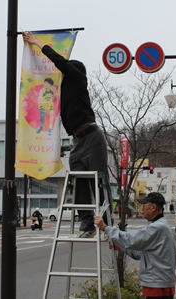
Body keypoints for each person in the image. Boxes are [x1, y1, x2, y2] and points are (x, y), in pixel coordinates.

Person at [23, 32, 112, 238]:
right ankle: (87, 223)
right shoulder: (61, 89)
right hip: (77, 142)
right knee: (78, 181)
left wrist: (38, 44)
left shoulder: (79, 78)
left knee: (99, 181)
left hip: (92, 136)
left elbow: (61, 63)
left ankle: (108, 225)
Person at [94, 192, 176, 299]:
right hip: (159, 281)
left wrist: (105, 227)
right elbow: (140, 253)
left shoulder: (157, 227)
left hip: (158, 283)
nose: (142, 209)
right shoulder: (158, 225)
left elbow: (130, 239)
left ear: (153, 207)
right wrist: (121, 247)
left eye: (144, 205)